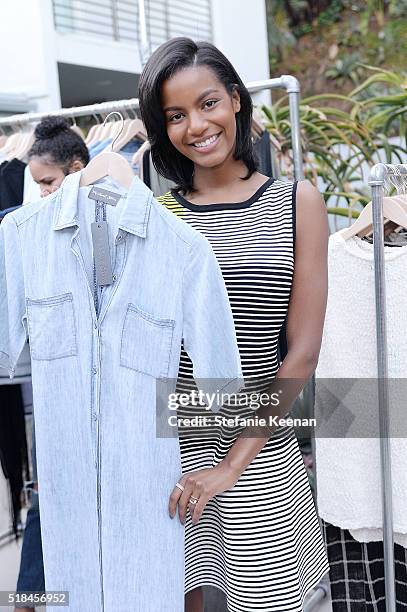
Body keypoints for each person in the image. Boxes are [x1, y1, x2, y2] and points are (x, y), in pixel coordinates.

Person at [139, 37, 330, 612]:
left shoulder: (297, 201)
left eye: (207, 103)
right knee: (182, 600)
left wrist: (232, 464)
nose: (195, 125)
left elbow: (301, 355)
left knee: (270, 600)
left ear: (237, 102)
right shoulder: (157, 216)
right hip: (177, 449)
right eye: (175, 115)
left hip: (261, 458)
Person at [14, 116, 89, 612]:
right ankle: (29, 596)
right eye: (37, 184)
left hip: (101, 386)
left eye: (48, 182)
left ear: (78, 170)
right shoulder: (33, 229)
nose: (41, 193)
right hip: (55, 382)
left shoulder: (121, 220)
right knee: (48, 495)